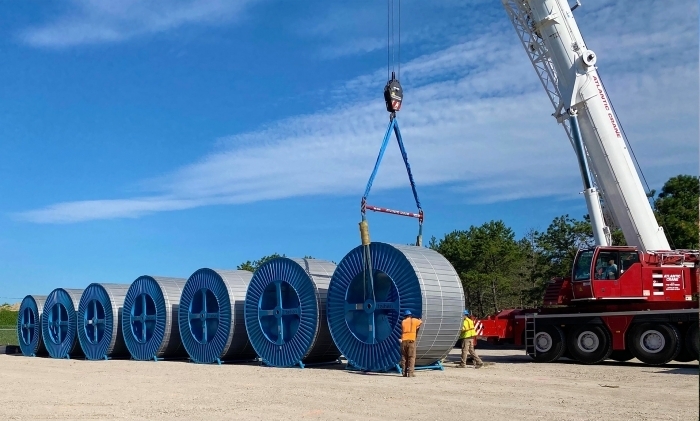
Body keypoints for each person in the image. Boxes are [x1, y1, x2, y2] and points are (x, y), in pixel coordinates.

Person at [399, 309, 422, 377]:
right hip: (411, 341)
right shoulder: (414, 320)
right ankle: (410, 373)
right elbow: (420, 322)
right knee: (411, 357)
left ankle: (404, 373)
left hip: (404, 341)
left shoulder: (403, 322)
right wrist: (419, 320)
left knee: (404, 357)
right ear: (410, 315)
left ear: (405, 316)